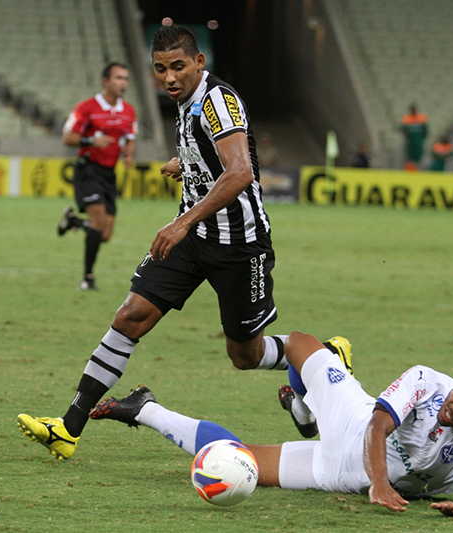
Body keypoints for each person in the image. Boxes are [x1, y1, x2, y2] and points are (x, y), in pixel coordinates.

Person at [17, 25, 293, 459]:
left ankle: (316, 355)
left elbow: (240, 171)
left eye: (178, 66)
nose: (169, 77)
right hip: (194, 238)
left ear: (200, 63)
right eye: (160, 69)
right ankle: (67, 428)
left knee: (244, 353)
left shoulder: (217, 99)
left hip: (241, 244)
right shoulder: (185, 102)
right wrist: (185, 163)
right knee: (130, 316)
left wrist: (182, 221)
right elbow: (214, 154)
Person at [91, 331, 453, 518]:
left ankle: (144, 408)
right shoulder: (426, 381)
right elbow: (380, 422)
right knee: (298, 343)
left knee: (239, 461)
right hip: (356, 424)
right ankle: (309, 406)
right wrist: (381, 484)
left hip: (339, 473)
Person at [56, 61, 138, 291]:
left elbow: (130, 138)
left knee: (104, 234)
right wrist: (90, 140)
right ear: (106, 81)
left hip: (109, 175)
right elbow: (67, 137)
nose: (124, 83)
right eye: (119, 78)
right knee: (98, 221)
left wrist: (128, 156)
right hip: (87, 170)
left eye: (126, 79)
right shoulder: (87, 107)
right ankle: (87, 277)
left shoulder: (129, 111)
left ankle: (73, 221)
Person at [399, 104, 428, 171]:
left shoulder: (421, 118)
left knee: (419, 156)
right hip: (410, 141)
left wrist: (421, 138)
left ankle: (418, 170)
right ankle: (409, 170)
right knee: (409, 156)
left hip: (418, 141)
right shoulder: (406, 118)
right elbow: (404, 130)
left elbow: (425, 131)